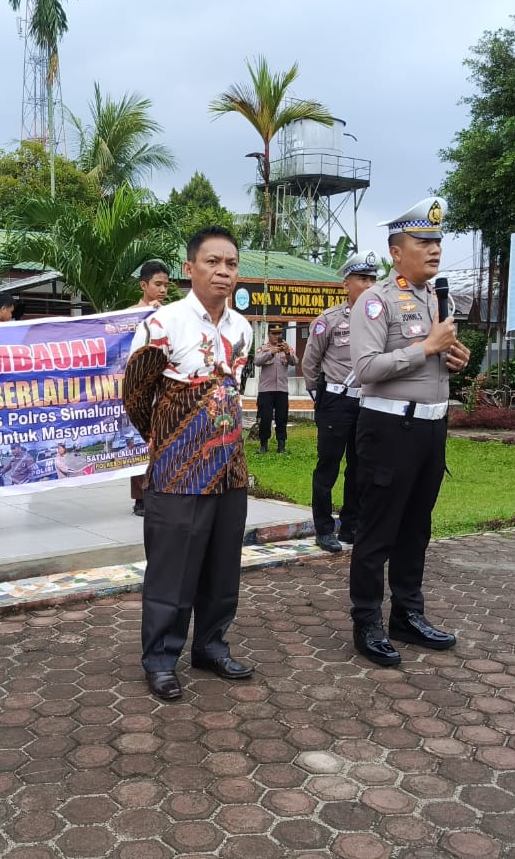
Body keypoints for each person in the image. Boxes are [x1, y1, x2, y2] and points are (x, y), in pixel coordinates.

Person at [122, 225, 254, 701]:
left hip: (230, 465)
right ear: (190, 268)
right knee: (172, 571)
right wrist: (169, 439)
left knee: (223, 566)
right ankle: (160, 659)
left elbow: (234, 389)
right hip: (178, 467)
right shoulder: (164, 323)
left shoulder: (242, 327)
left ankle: (211, 646)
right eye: (213, 262)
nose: (223, 272)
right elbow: (136, 395)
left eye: (231, 264)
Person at [347, 197, 471, 668]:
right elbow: (365, 369)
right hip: (388, 429)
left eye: (438, 241)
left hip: (431, 429)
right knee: (377, 533)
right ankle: (367, 623)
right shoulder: (376, 302)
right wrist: (426, 347)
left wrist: (451, 359)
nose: (435, 249)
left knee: (416, 529)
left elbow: (433, 359)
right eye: (424, 241)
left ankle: (407, 614)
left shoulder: (435, 299)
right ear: (397, 252)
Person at [302, 250, 376, 553]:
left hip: (368, 403)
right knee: (328, 467)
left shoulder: (379, 320)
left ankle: (350, 526)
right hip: (335, 401)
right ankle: (323, 528)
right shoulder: (329, 320)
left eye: (373, 278)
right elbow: (310, 362)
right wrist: (319, 396)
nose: (369, 284)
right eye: (362, 278)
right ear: (346, 284)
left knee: (359, 468)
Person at [130, 260, 171, 516]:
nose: (163, 290)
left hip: (163, 388)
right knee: (137, 443)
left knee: (161, 441)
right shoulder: (132, 314)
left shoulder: (171, 314)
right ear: (144, 285)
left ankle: (161, 489)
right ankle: (140, 497)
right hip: (139, 388)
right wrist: (147, 316)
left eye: (166, 285)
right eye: (158, 284)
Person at [255, 323, 294, 453]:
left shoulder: (287, 348)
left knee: (281, 418)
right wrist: (270, 353)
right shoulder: (263, 348)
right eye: (274, 333)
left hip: (282, 390)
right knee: (265, 418)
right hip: (266, 390)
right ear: (269, 335)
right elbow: (257, 361)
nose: (277, 336)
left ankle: (281, 445)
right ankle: (263, 445)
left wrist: (287, 352)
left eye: (279, 333)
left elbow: (295, 362)